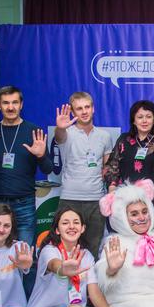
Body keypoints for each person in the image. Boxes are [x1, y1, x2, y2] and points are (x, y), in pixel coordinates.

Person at [0, 86, 53, 296]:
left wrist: (41, 155)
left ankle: (27, 304)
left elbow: (48, 168)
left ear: (21, 105)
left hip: (24, 203)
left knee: (26, 256)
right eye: (6, 103)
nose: (10, 107)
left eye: (15, 102)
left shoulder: (33, 132)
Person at [54, 92, 113, 259]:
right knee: (66, 249)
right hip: (70, 198)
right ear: (73, 112)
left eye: (87, 107)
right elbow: (59, 137)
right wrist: (60, 127)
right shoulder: (66, 132)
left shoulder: (104, 136)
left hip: (96, 200)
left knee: (93, 249)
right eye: (79, 108)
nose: (84, 111)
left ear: (93, 108)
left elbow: (107, 168)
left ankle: (90, 277)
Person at [104, 100, 154, 235]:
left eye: (148, 116)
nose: (144, 121)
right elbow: (112, 166)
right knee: (126, 243)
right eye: (140, 117)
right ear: (133, 120)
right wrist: (112, 187)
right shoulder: (124, 140)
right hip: (125, 204)